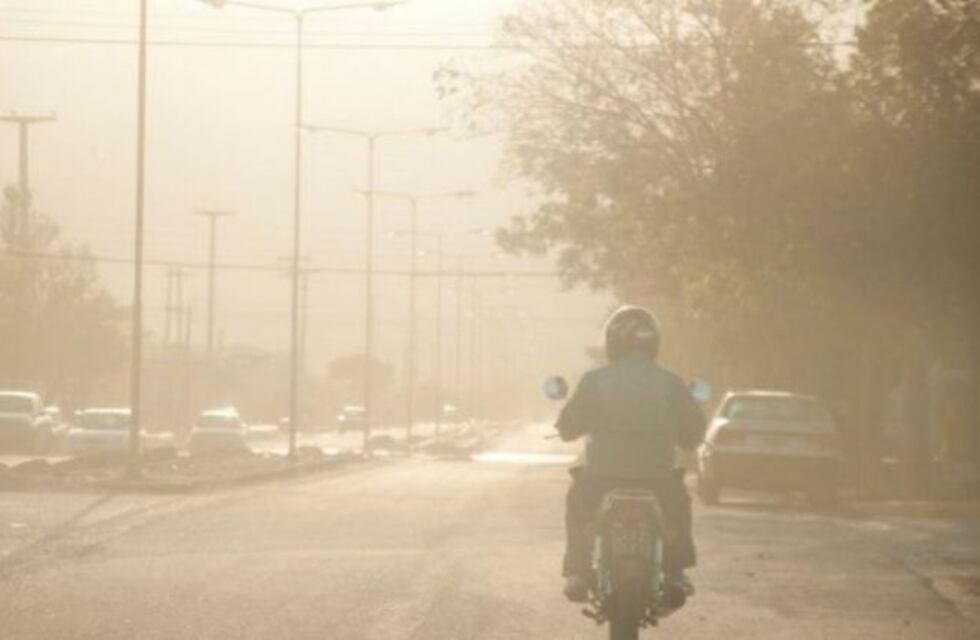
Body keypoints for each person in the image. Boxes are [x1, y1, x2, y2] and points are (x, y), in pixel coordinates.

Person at [556, 305, 706, 603]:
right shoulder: (671, 382)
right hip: (657, 478)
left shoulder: (595, 380)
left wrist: (569, 428)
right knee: (678, 507)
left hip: (602, 477)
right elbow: (693, 433)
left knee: (577, 503)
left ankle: (578, 572)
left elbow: (568, 426)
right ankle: (675, 572)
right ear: (654, 342)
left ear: (612, 341)